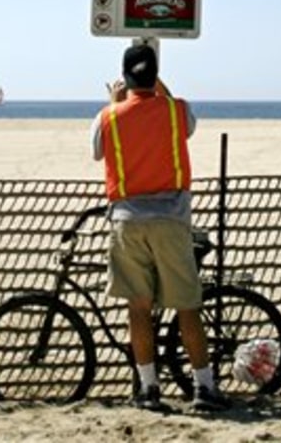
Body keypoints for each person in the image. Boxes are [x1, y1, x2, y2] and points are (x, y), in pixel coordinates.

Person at [91, 42, 230, 413]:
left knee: (138, 308)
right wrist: (159, 88)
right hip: (171, 220)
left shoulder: (108, 118)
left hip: (127, 222)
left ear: (125, 78)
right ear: (156, 77)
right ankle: (203, 388)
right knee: (187, 306)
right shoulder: (175, 111)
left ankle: (149, 389)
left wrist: (113, 102)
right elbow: (188, 125)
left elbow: (97, 150)